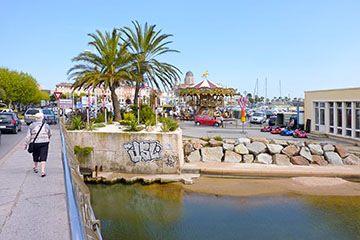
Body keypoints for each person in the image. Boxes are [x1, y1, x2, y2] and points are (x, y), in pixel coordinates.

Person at [24, 113, 51, 177]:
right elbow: (49, 134)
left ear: (35, 118)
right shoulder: (46, 125)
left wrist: (26, 144)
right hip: (45, 142)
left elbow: (28, 136)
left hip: (35, 142)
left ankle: (36, 168)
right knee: (43, 155)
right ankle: (42, 171)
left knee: (35, 154)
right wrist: (47, 139)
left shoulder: (32, 126)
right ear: (42, 118)